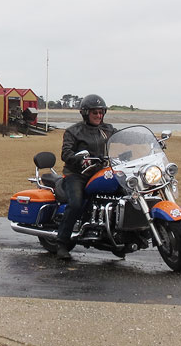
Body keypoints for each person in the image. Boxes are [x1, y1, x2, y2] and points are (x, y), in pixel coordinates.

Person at [57, 94, 116, 260]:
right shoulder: (73, 131)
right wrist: (80, 158)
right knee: (76, 203)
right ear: (85, 113)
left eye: (101, 112)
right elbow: (66, 153)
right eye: (94, 113)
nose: (98, 116)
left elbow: (123, 139)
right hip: (77, 174)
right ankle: (62, 243)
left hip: (100, 171)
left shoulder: (108, 129)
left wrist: (149, 141)